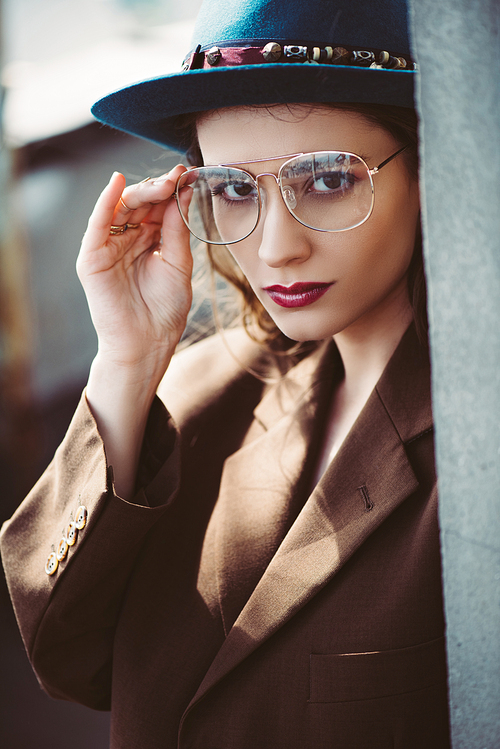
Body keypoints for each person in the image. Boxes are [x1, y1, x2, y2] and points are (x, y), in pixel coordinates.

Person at [1, 0, 451, 746]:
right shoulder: (190, 391)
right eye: (235, 189)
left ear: (434, 172)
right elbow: (67, 655)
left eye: (329, 180)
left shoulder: (477, 450)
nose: (277, 247)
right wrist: (128, 360)